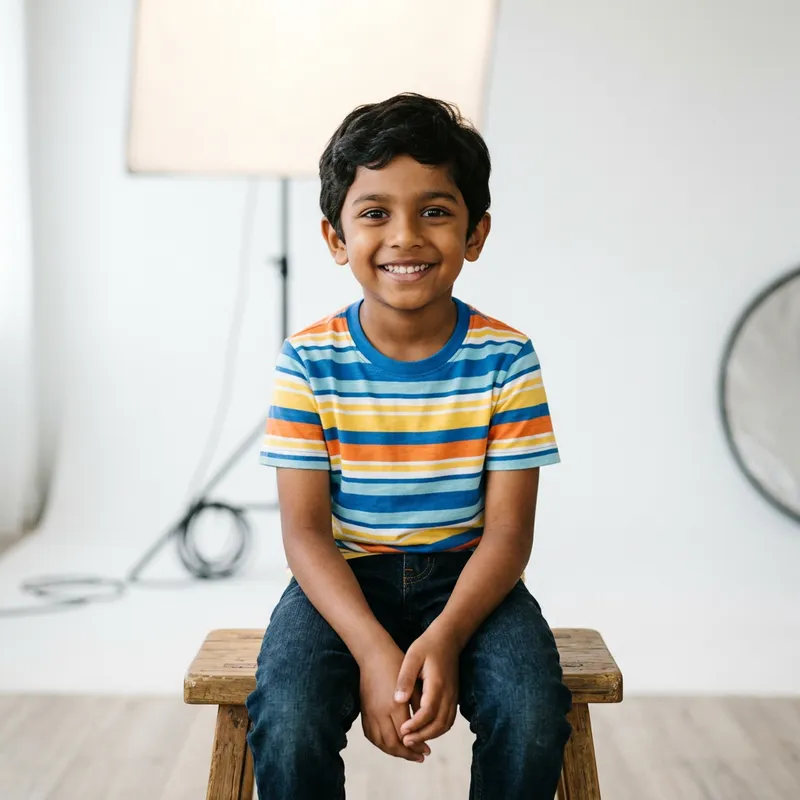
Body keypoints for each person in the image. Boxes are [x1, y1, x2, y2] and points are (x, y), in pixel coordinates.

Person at [245, 93, 572, 799]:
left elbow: (510, 534)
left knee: (533, 710)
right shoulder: (308, 361)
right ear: (335, 239)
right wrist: (370, 649)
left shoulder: (506, 358)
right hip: (342, 576)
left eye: (434, 210)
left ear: (475, 233)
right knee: (287, 714)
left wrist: (447, 636)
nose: (405, 237)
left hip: (471, 577)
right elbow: (304, 535)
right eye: (374, 213)